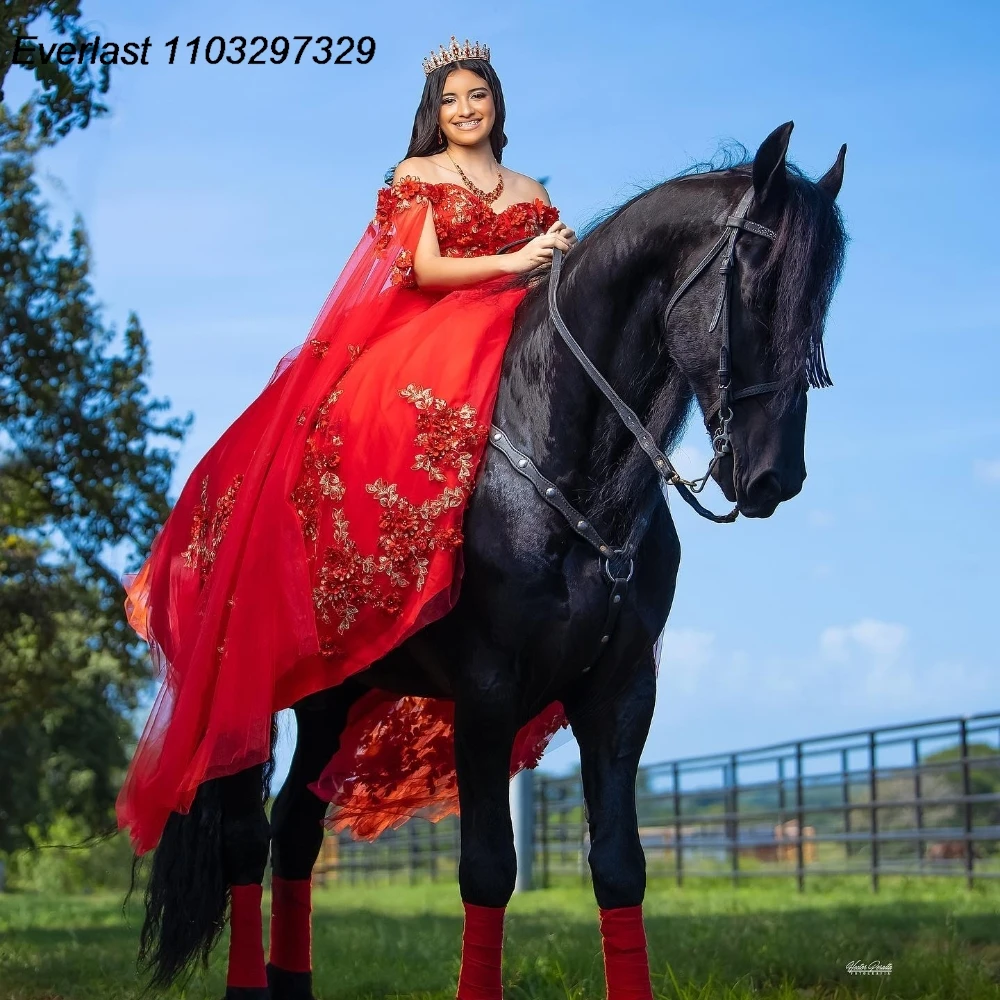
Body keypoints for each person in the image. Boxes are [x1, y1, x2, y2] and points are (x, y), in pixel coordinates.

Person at [116, 36, 578, 855]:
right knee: (385, 430)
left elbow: (547, 284)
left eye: (478, 96)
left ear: (498, 102)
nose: (466, 110)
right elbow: (423, 269)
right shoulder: (415, 178)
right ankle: (375, 577)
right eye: (451, 100)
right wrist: (518, 256)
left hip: (511, 335)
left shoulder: (533, 187)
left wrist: (558, 267)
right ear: (433, 113)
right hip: (432, 331)